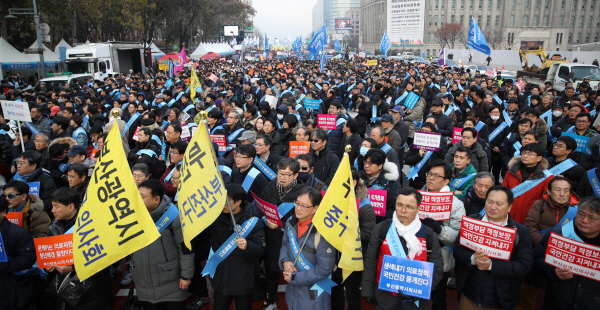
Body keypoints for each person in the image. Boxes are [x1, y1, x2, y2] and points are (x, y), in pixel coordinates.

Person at [361, 187, 444, 309]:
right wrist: (367, 290)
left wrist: (417, 291)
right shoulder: (382, 229)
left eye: (409, 207)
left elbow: (436, 269)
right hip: (385, 297)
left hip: (415, 301)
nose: (403, 210)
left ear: (418, 209)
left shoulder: (428, 234)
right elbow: (370, 261)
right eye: (400, 205)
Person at [453, 185, 533, 310]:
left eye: (499, 203)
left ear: (509, 207)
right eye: (490, 202)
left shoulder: (520, 232)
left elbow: (524, 266)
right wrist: (473, 258)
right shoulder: (472, 221)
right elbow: (457, 250)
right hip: (470, 295)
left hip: (501, 300)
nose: (493, 207)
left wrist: (491, 265)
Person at [46, 187, 113, 310]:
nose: (52, 210)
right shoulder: (54, 227)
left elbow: (104, 260)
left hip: (92, 294)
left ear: (71, 207)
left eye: (57, 206)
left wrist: (73, 268)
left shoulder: (92, 226)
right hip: (66, 292)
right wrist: (49, 266)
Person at [131, 180, 194, 310]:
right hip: (144, 284)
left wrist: (186, 276)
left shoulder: (173, 217)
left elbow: (185, 249)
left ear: (157, 199)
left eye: (142, 197)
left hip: (172, 285)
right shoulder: (131, 218)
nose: (137, 200)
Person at [533, 196, 600, 309]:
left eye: (592, 217)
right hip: (556, 303)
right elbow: (534, 260)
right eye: (581, 214)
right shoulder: (559, 234)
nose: (584, 220)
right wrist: (553, 271)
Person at [207, 183, 265, 310]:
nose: (223, 204)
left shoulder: (254, 222)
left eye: (227, 201)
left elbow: (261, 250)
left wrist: (248, 246)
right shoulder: (214, 218)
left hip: (243, 280)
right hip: (221, 278)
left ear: (238, 202)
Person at [279, 187, 336, 310]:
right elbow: (284, 244)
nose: (298, 208)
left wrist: (295, 278)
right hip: (292, 292)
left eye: (304, 206)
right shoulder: (291, 222)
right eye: (297, 203)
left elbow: (324, 269)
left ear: (315, 208)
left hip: (313, 294)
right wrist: (285, 261)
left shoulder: (323, 232)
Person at [260, 158, 306, 310]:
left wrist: (282, 226)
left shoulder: (303, 193)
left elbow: (305, 218)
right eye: (280, 173)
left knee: (294, 272)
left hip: (293, 240)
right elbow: (260, 209)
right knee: (272, 271)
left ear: (295, 175)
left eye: (287, 174)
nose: (282, 177)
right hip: (272, 239)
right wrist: (266, 219)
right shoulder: (269, 188)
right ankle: (270, 300)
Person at [421, 160, 465, 310]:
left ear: (446, 180)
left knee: (438, 299)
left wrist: (439, 230)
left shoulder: (456, 204)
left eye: (436, 176)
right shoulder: (416, 197)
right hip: (416, 255)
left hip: (440, 258)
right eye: (430, 174)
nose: (431, 178)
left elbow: (457, 237)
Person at [331, 169, 376, 310]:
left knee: (352, 293)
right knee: (335, 289)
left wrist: (347, 233)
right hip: (336, 255)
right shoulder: (335, 199)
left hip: (354, 257)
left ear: (354, 182)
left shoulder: (365, 206)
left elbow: (368, 234)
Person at [0, 196, 37, 310]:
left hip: (11, 289)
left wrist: (5, 265)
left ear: (4, 212)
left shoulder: (18, 233)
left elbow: (29, 258)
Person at [503, 143, 553, 224]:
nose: (525, 156)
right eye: (524, 152)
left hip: (530, 218)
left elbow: (546, 201)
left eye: (530, 154)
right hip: (508, 215)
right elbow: (504, 191)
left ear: (539, 158)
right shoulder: (512, 172)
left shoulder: (546, 177)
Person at [359, 149, 401, 221]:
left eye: (370, 164)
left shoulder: (391, 184)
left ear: (380, 166)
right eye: (365, 163)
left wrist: (376, 215)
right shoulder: (358, 177)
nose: (366, 166)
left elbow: (394, 210)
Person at [14, 150, 57, 216]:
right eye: (18, 163)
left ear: (33, 166)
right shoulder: (15, 178)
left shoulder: (46, 181)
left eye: (21, 163)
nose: (18, 166)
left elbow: (47, 206)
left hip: (36, 218)